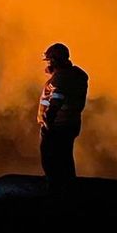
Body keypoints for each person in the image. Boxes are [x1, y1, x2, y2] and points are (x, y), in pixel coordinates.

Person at [37, 42, 89, 193]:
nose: (47, 64)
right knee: (65, 158)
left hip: (57, 126)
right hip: (71, 123)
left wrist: (47, 124)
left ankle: (56, 191)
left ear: (55, 60)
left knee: (51, 160)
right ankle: (68, 188)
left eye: (49, 60)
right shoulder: (78, 75)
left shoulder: (61, 79)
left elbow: (55, 102)